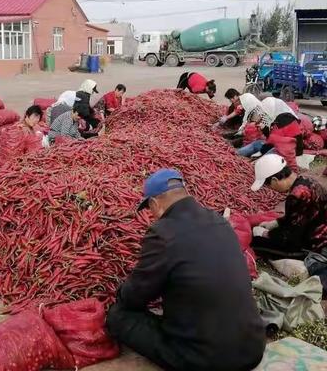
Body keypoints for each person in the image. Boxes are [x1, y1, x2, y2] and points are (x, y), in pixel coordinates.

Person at [107, 169, 265, 371]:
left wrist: (122, 292)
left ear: (155, 203)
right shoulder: (221, 222)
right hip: (252, 348)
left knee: (119, 316)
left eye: (150, 209)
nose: (152, 215)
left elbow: (135, 296)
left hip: (207, 359)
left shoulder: (163, 233)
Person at [251, 153, 327, 256]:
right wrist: (277, 222)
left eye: (269, 185)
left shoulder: (296, 195)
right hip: (316, 229)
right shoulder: (306, 180)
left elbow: (291, 237)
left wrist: (266, 234)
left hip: (316, 242)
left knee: (256, 243)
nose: (272, 189)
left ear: (275, 180)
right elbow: (299, 217)